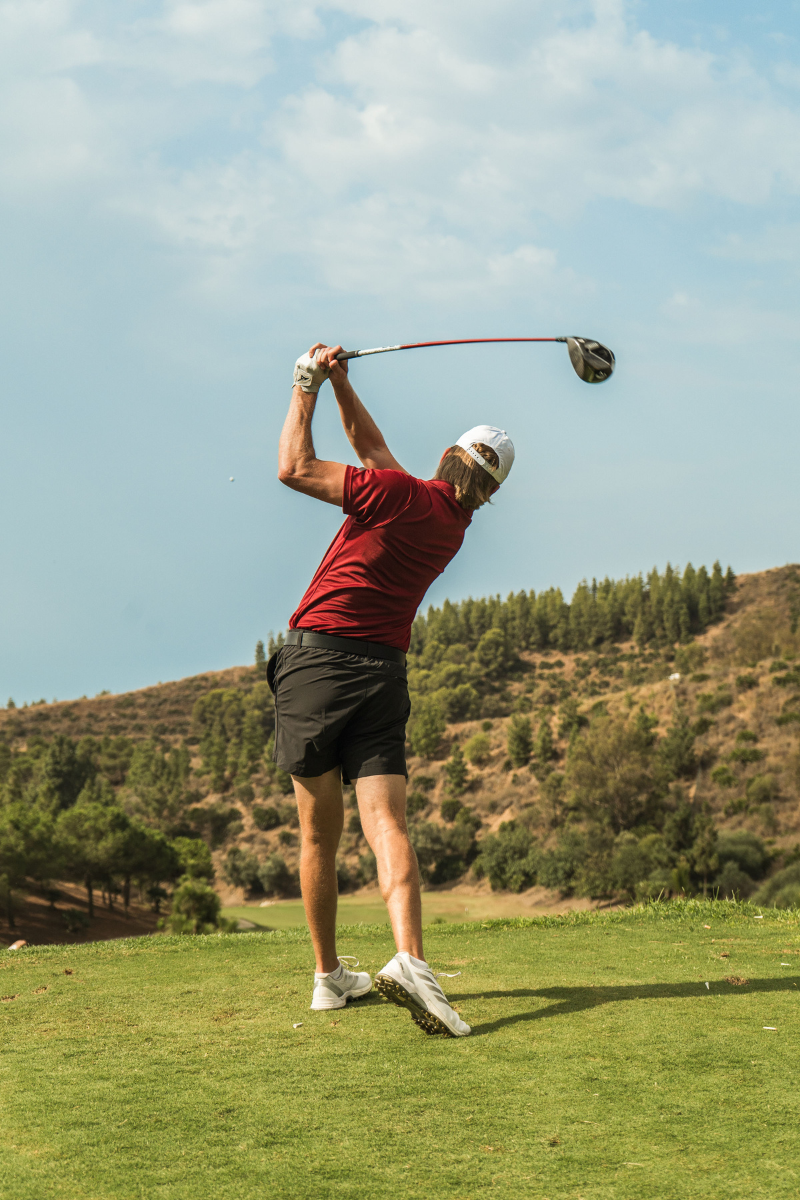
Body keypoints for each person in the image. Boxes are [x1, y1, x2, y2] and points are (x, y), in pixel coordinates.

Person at [271, 342, 514, 1037]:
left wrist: (306, 385)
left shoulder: (402, 494)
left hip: (317, 668)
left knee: (318, 834)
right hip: (382, 675)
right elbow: (373, 450)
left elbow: (293, 468)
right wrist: (343, 385)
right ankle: (411, 961)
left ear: (445, 457)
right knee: (387, 826)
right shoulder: (450, 522)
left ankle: (327, 978)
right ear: (488, 491)